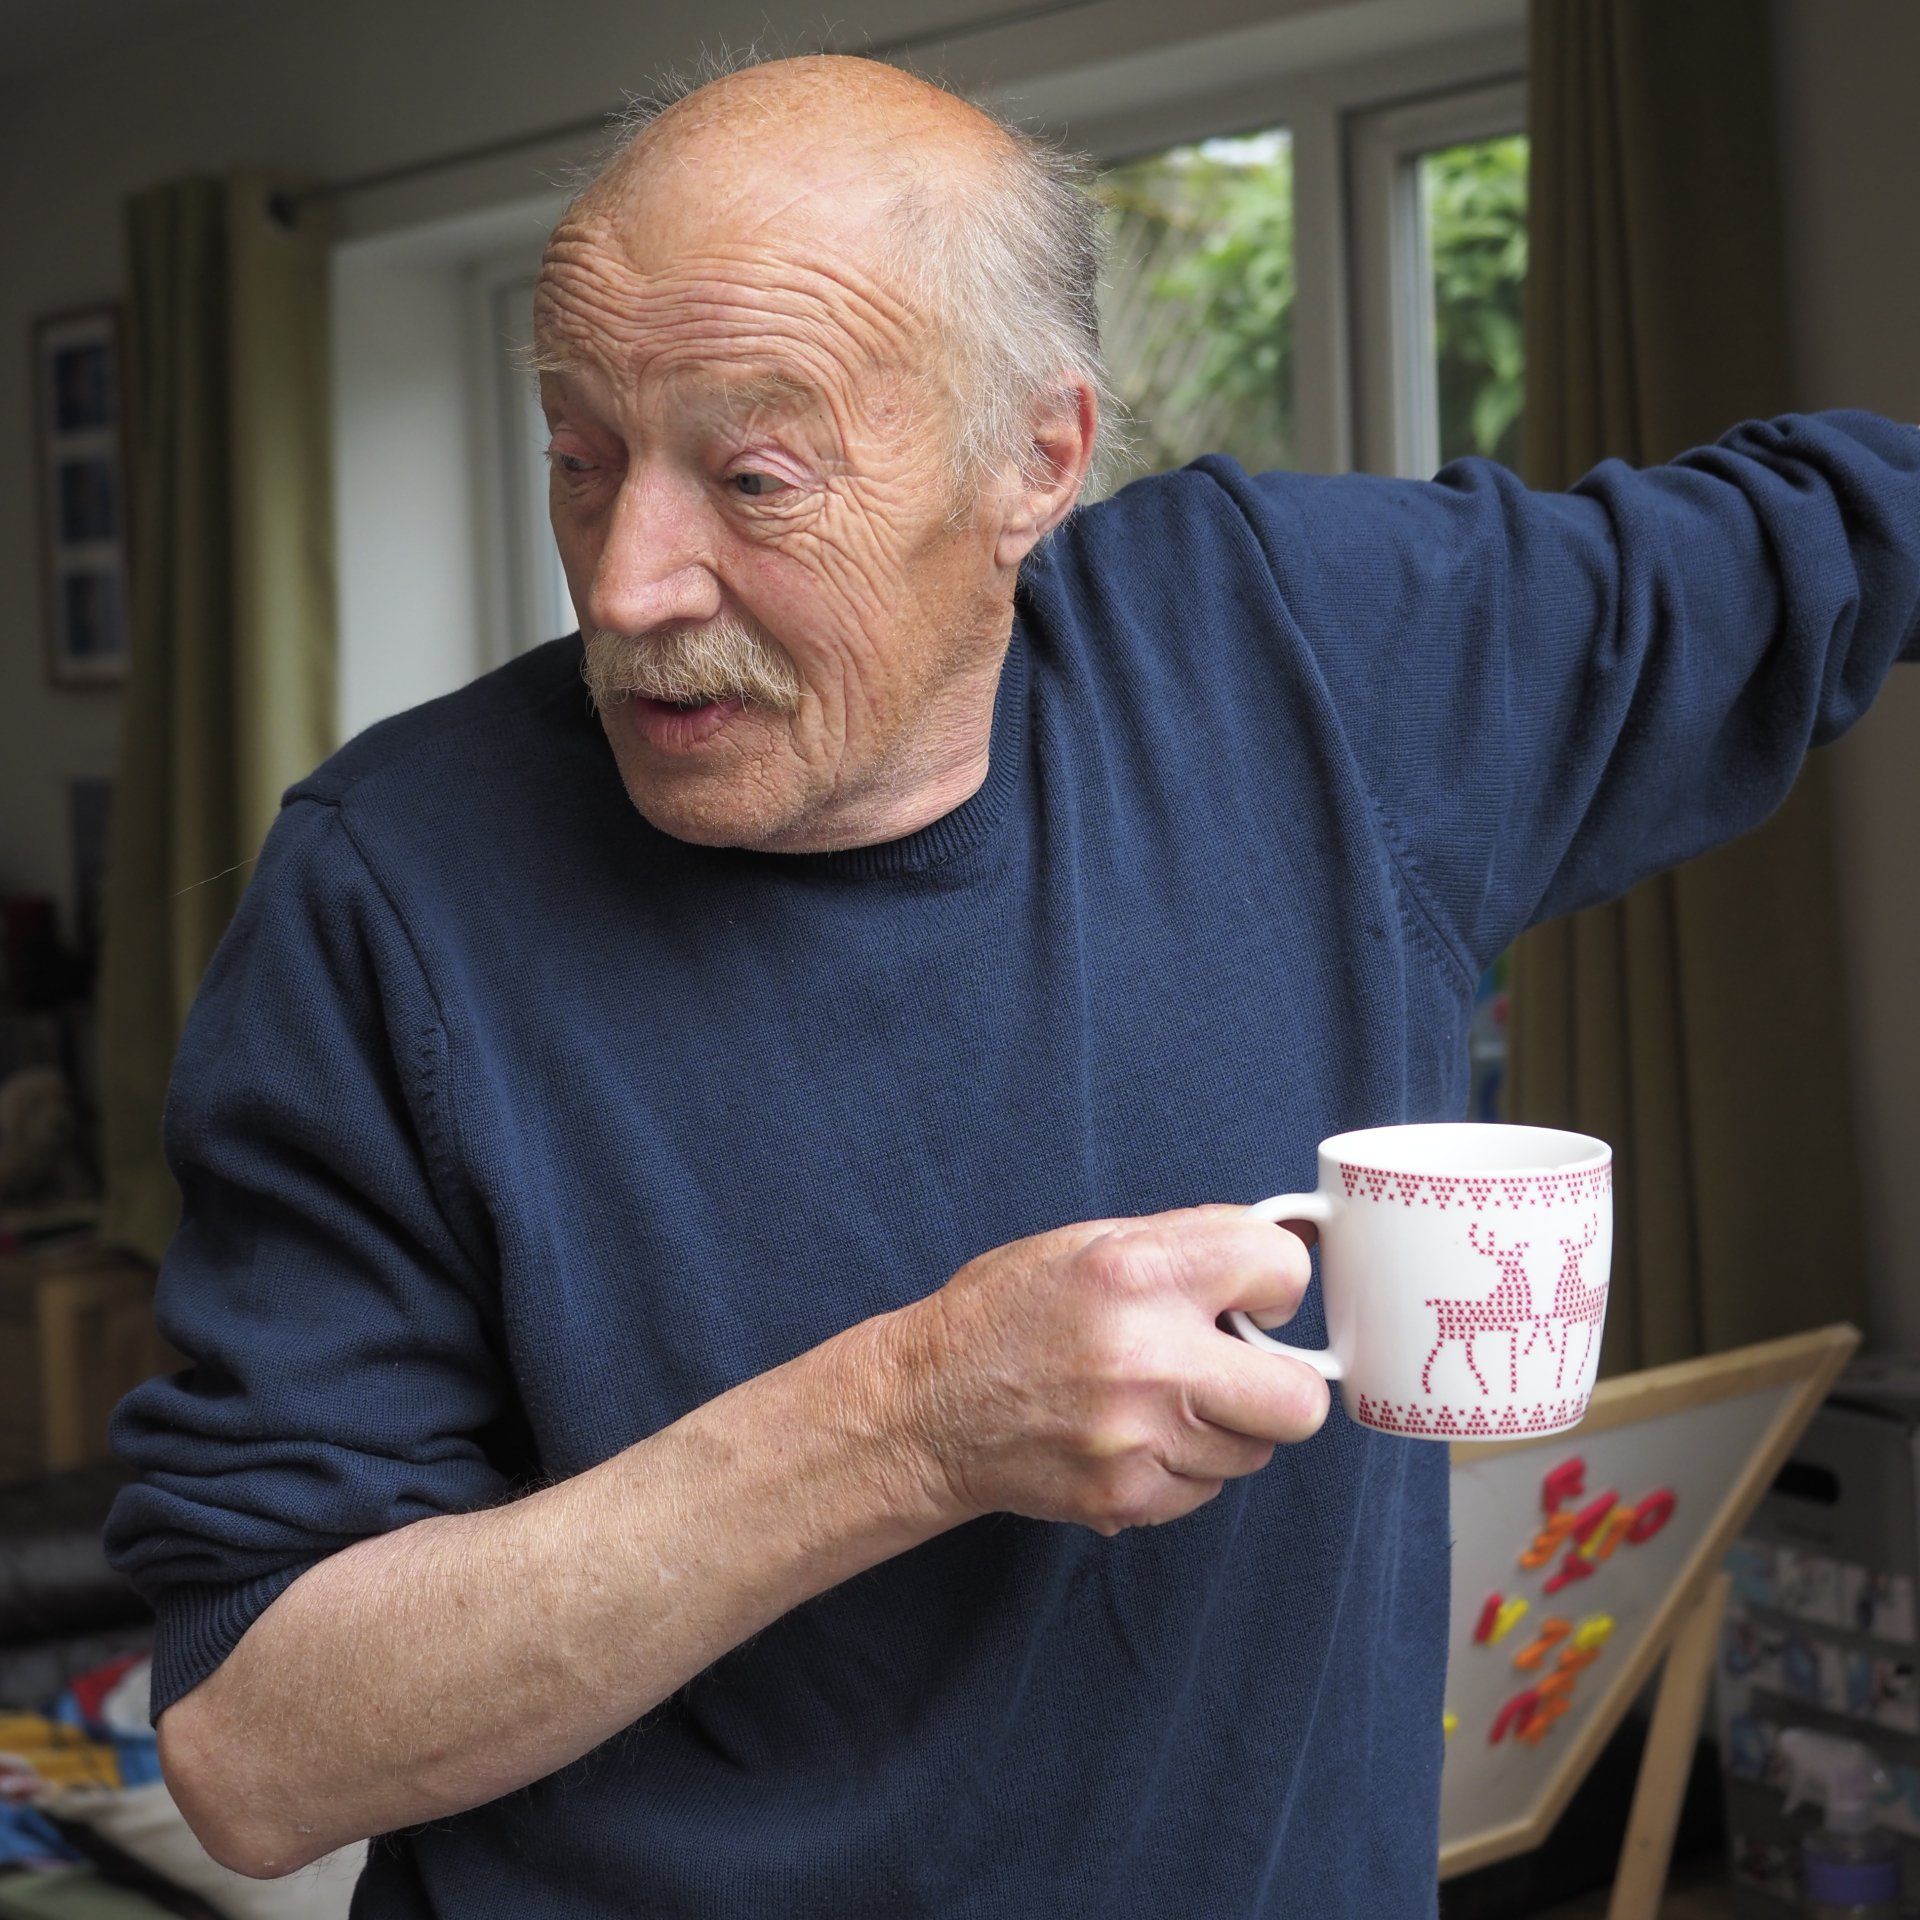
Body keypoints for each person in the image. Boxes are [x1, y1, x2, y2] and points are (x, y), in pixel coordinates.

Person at [104, 52, 1919, 1920]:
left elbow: (1838, 532)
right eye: (580, 456)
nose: (630, 580)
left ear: (1033, 463)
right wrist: (917, 1417)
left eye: (752, 474)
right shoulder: (387, 893)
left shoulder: (1319, 658)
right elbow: (256, 1752)